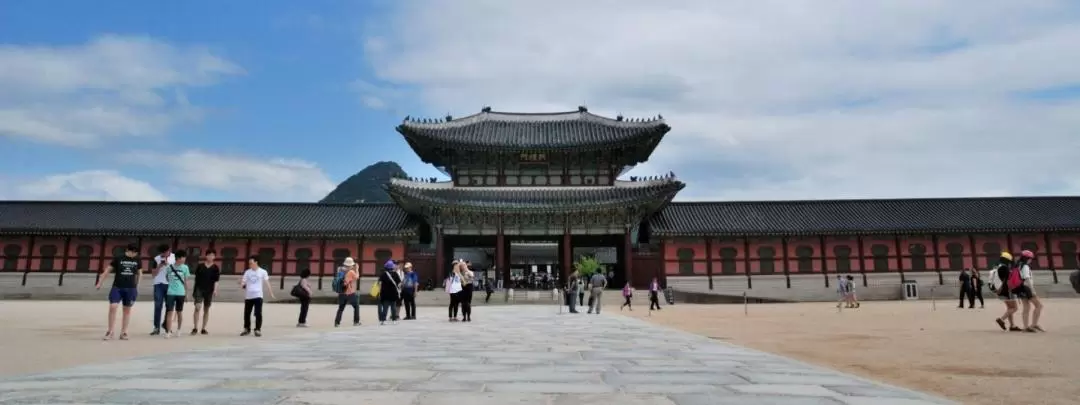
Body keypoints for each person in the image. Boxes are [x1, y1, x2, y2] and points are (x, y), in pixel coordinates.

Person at [96, 243, 142, 341]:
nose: (134, 254)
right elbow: (107, 270)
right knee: (113, 306)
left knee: (127, 310)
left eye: (135, 253)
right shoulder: (118, 258)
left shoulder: (137, 259)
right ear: (127, 250)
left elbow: (140, 273)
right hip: (117, 286)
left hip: (130, 288)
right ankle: (110, 331)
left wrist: (137, 286)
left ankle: (124, 332)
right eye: (132, 252)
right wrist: (100, 282)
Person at [240, 255, 273, 337]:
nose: (250, 264)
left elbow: (267, 282)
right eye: (249, 263)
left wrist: (271, 292)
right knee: (247, 313)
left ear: (256, 262)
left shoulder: (263, 272)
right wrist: (242, 284)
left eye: (251, 263)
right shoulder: (247, 272)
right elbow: (243, 283)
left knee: (258, 313)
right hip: (248, 296)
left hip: (258, 295)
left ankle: (257, 329)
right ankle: (246, 329)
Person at [190, 249, 220, 335]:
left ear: (214, 257)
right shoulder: (200, 266)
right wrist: (195, 290)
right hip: (199, 288)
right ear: (206, 256)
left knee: (206, 309)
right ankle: (195, 327)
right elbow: (196, 279)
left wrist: (215, 290)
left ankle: (203, 328)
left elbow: (216, 280)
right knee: (197, 307)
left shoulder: (215, 268)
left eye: (212, 255)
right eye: (209, 255)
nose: (210, 257)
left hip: (209, 290)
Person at [1013, 250, 1044, 332]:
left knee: (1026, 308)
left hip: (1020, 288)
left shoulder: (1018, 266)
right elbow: (1027, 279)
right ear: (1027, 258)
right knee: (1039, 305)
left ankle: (1026, 327)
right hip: (1026, 288)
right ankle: (1034, 324)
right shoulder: (1025, 267)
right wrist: (1032, 290)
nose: (1031, 260)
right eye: (1030, 258)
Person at [163, 250, 190, 339]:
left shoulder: (185, 268)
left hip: (181, 292)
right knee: (169, 311)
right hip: (170, 292)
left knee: (179, 311)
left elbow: (186, 281)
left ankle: (179, 329)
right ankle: (168, 331)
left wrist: (186, 293)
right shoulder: (169, 267)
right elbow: (167, 278)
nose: (185, 259)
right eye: (183, 257)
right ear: (178, 258)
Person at [991, 252, 1021, 332]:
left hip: (1000, 291)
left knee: (1009, 308)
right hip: (1007, 290)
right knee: (1014, 308)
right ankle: (1001, 319)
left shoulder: (998, 267)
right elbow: (1008, 280)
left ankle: (1012, 325)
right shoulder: (1005, 268)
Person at [149, 244, 175, 336]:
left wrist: (168, 265)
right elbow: (153, 274)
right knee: (158, 305)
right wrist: (159, 266)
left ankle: (166, 325)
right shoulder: (156, 259)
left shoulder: (174, 257)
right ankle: (156, 327)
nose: (164, 254)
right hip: (158, 284)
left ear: (169, 250)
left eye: (166, 252)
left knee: (169, 306)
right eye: (162, 253)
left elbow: (177, 270)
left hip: (170, 284)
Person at [334, 257, 360, 327]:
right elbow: (357, 277)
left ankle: (337, 322)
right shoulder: (351, 272)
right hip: (349, 292)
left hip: (341, 293)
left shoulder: (340, 270)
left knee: (341, 308)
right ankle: (356, 321)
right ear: (351, 265)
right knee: (356, 306)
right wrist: (357, 269)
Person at [377, 260, 403, 325]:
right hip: (393, 294)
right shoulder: (395, 274)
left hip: (385, 294)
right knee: (393, 307)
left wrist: (380, 292)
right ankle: (394, 320)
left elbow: (379, 283)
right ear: (392, 267)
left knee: (385, 308)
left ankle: (383, 321)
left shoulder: (383, 274)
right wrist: (399, 289)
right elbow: (399, 284)